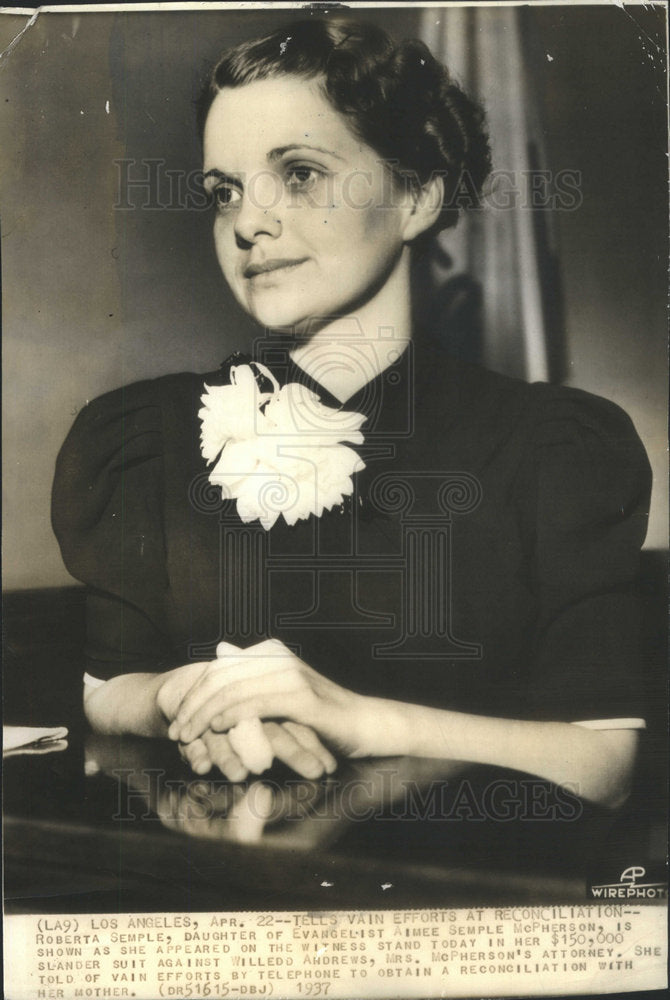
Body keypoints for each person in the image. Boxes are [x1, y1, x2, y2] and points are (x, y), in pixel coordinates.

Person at [52, 18, 651, 812]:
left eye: (298, 173)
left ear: (416, 197)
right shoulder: (144, 437)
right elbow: (105, 688)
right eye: (223, 190)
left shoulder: (551, 447)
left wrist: (355, 720)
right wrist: (191, 695)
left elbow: (605, 762)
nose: (247, 222)